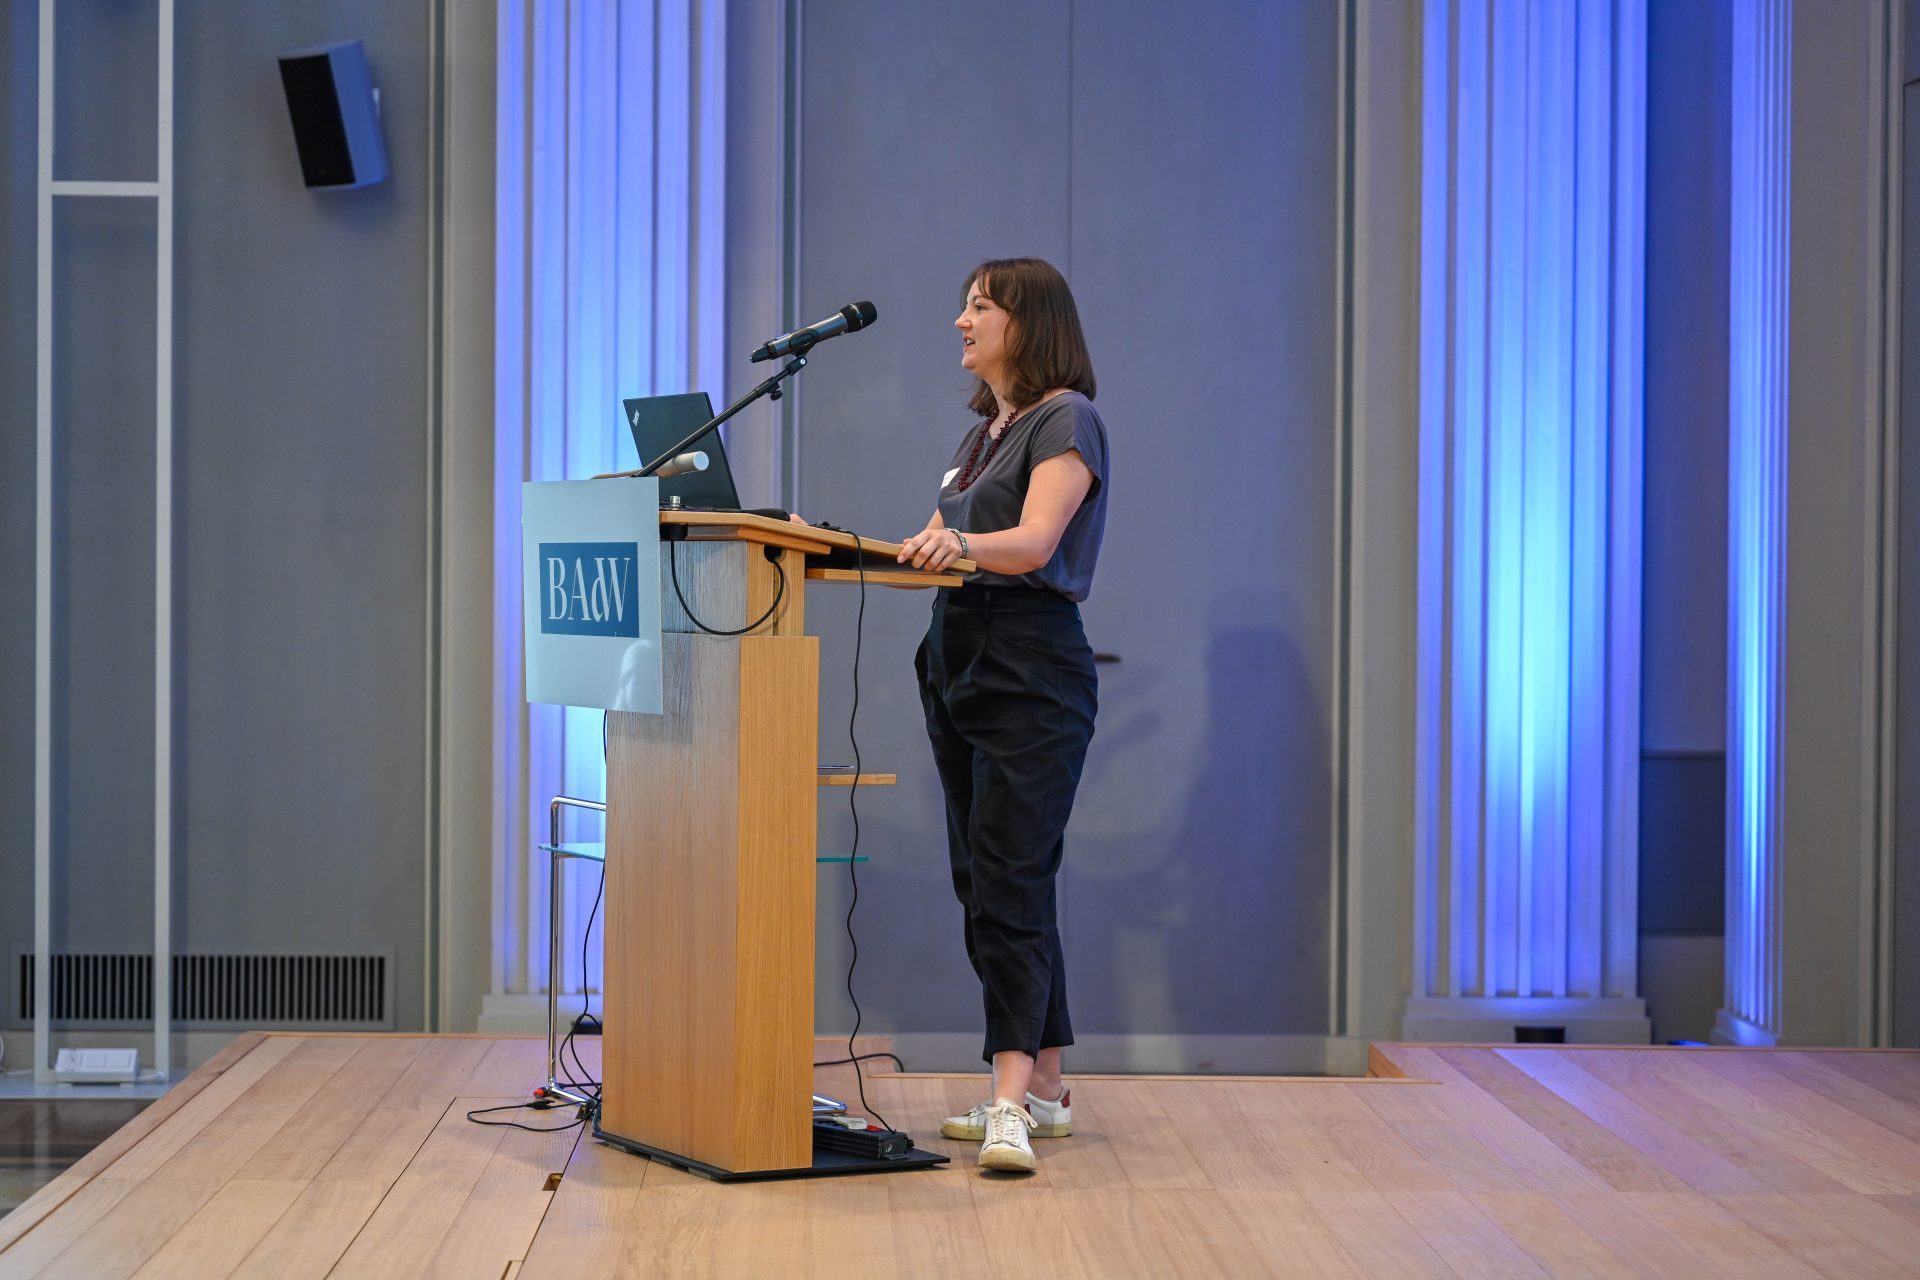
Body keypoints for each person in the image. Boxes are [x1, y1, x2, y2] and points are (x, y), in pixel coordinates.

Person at [897, 257, 1109, 1173]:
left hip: (1029, 667)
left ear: (1028, 322)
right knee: (985, 879)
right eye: (964, 303)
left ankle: (1010, 1102)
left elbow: (1032, 542)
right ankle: (1051, 1091)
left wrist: (960, 540)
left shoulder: (1068, 418)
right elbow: (959, 538)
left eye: (979, 306)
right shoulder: (985, 431)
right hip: (959, 655)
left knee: (1013, 882)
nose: (960, 320)